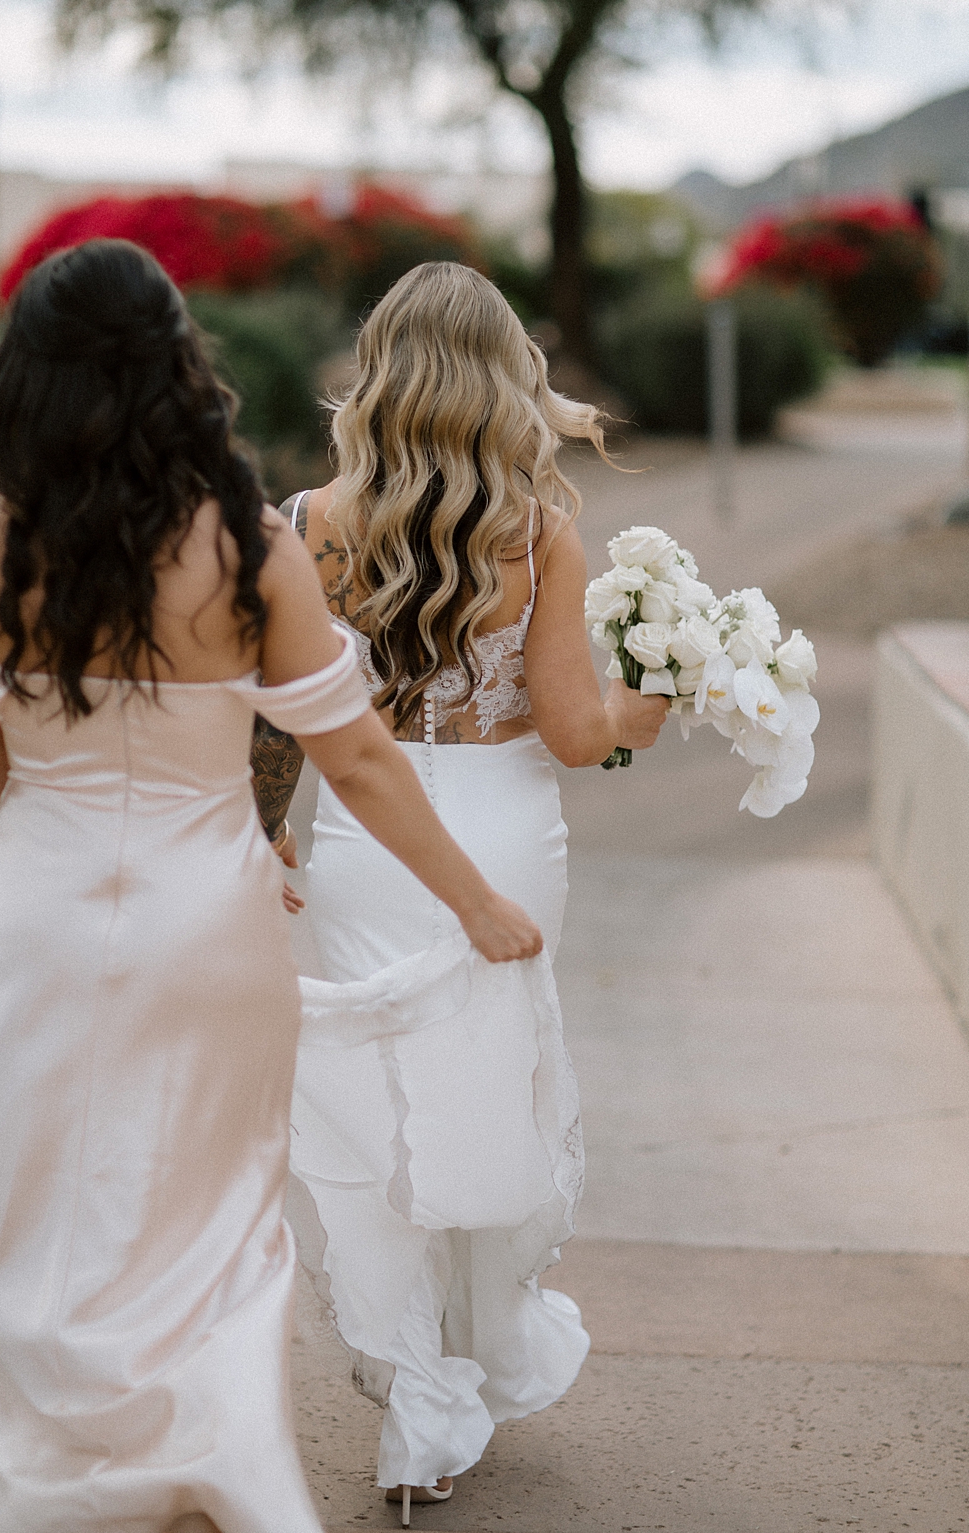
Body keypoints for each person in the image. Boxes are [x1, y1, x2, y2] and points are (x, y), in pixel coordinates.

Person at [0, 238, 545, 1533]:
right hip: (212, 919)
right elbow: (363, 757)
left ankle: (48, 1490)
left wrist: (55, 840)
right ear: (179, 366)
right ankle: (207, 1478)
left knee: (30, 1207)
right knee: (211, 1222)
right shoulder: (243, 540)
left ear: (27, 374)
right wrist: (473, 903)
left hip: (29, 920)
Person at [271, 261, 670, 1523]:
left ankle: (417, 1415)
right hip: (497, 840)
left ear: (377, 370)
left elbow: (284, 716)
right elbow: (571, 734)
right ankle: (469, 1364)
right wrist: (643, 714)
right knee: (477, 1098)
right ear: (506, 375)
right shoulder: (533, 528)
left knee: (368, 1115)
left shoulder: (309, 524)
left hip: (355, 841)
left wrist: (267, 836)